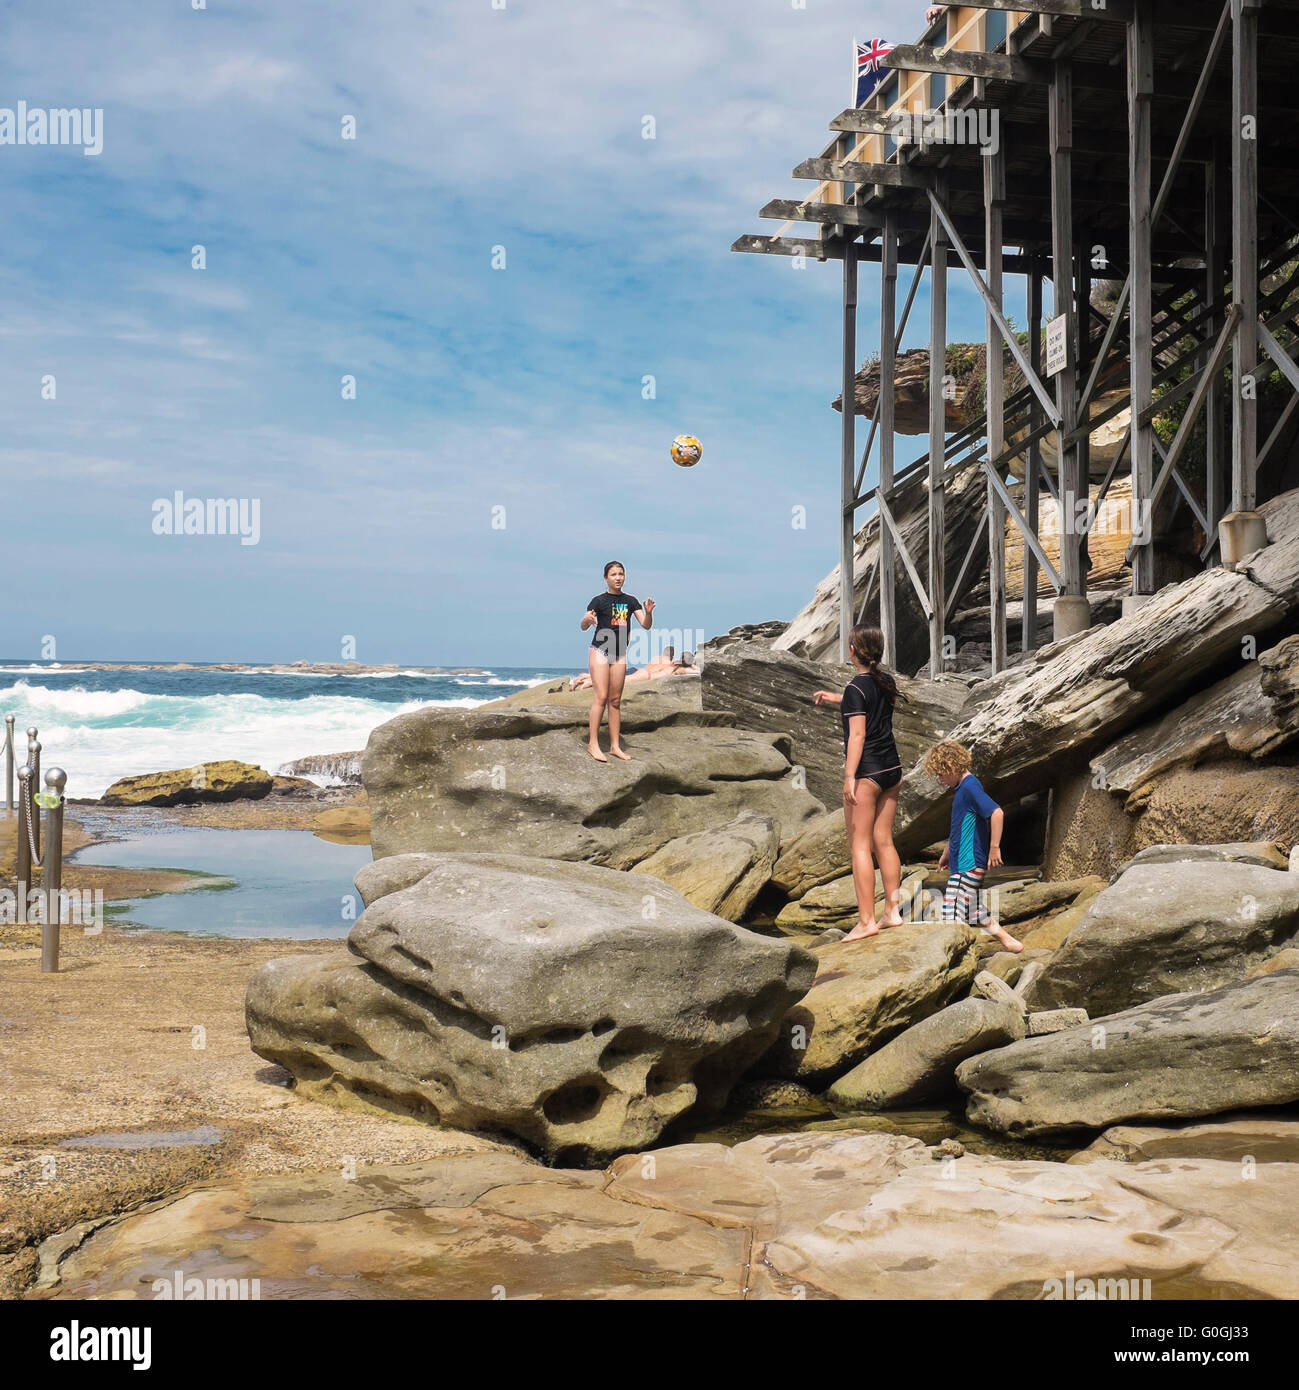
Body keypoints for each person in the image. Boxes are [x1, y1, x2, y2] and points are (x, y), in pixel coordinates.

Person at [812, 624, 906, 941]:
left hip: (868, 773)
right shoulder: (885, 681)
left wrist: (849, 776)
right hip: (893, 769)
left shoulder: (857, 688)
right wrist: (836, 698)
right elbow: (867, 704)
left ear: (853, 650)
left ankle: (867, 922)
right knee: (885, 841)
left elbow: (858, 733)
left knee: (860, 846)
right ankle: (892, 912)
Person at [923, 740, 1024, 953]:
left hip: (969, 862)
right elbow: (959, 825)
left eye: (940, 774)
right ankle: (1008, 941)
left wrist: (994, 848)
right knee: (971, 909)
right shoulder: (962, 789)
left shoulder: (970, 787)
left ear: (951, 767)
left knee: (951, 913)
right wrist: (947, 852)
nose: (940, 780)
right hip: (960, 862)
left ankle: (952, 961)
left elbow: (996, 813)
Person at [579, 562, 654, 761]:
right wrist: (587, 619)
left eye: (621, 574)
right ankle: (592, 744)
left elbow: (645, 625)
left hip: (619, 654)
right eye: (613, 574)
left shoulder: (631, 601)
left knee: (615, 701)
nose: (618, 577)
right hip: (600, 652)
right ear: (606, 578)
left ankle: (614, 746)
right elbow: (584, 626)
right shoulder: (598, 601)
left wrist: (648, 612)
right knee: (601, 697)